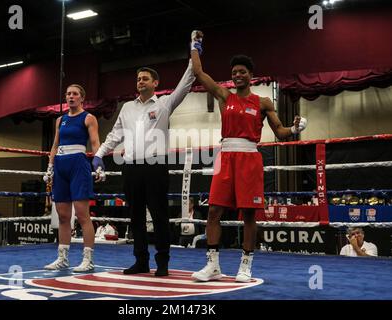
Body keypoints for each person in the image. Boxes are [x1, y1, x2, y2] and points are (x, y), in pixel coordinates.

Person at [189, 31, 307, 282]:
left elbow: (280, 132)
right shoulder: (224, 96)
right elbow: (199, 74)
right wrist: (195, 46)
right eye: (234, 72)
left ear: (250, 75)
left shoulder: (263, 102)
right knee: (213, 212)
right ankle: (213, 266)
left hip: (249, 158)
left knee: (249, 213)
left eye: (242, 71)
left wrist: (296, 128)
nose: (237, 75)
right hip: (226, 156)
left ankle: (246, 265)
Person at [93, 57, 196, 277]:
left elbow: (185, 84)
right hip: (131, 167)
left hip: (155, 165)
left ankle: (162, 263)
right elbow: (115, 134)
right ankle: (141, 261)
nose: (140, 81)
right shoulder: (128, 107)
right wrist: (99, 154)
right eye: (138, 79)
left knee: (159, 216)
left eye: (145, 78)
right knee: (135, 216)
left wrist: (193, 56)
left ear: (155, 83)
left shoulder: (164, 103)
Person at [43, 84, 103, 272]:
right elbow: (54, 144)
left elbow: (94, 142)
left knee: (82, 214)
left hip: (78, 164)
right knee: (63, 215)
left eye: (75, 94)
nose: (70, 96)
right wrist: (50, 166)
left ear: (82, 98)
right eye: (68, 94)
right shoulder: (60, 120)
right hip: (60, 164)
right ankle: (62, 258)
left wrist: (99, 165)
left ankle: (88, 258)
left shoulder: (89, 118)